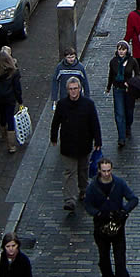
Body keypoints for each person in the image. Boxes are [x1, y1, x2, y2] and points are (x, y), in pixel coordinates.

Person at [85, 157, 139, 277]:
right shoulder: (93, 187)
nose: (107, 174)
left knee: (120, 262)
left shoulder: (119, 183)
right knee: (103, 257)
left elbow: (133, 199)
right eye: (104, 171)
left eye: (109, 171)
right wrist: (97, 214)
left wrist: (124, 211)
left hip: (117, 228)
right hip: (101, 228)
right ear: (99, 171)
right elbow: (87, 205)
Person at [50, 77, 101, 213]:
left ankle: (83, 190)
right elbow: (56, 122)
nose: (73, 92)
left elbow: (94, 123)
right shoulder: (62, 104)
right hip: (68, 145)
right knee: (69, 172)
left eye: (75, 89)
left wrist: (98, 140)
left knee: (83, 170)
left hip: (84, 144)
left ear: (80, 89)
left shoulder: (88, 104)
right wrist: (53, 137)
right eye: (71, 89)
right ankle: (69, 199)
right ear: (67, 90)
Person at [0, 48, 24, 154]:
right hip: (10, 99)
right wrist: (20, 101)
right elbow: (17, 89)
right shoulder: (14, 72)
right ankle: (11, 145)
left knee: (2, 117)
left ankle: (3, 135)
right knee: (10, 119)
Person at [105, 41, 140, 147]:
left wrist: (132, 84)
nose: (121, 52)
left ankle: (128, 126)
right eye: (119, 49)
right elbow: (111, 75)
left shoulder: (132, 61)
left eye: (123, 49)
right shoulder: (113, 62)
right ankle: (121, 137)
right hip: (117, 89)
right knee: (119, 113)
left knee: (129, 111)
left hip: (129, 91)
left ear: (127, 50)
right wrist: (108, 87)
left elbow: (138, 75)